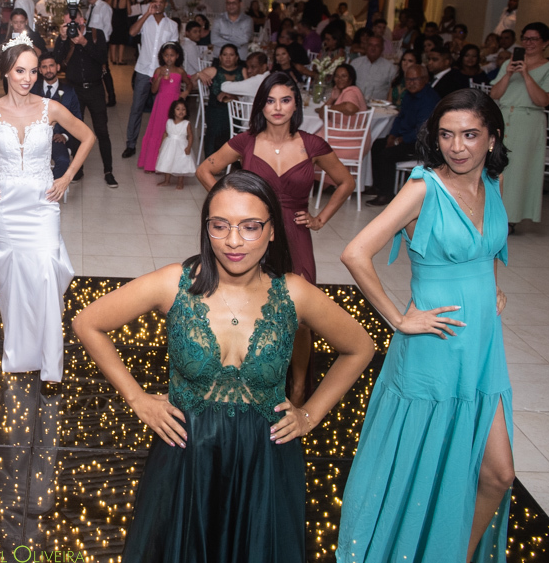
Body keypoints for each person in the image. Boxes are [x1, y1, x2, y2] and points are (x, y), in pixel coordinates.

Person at [74, 170, 373, 560]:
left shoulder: (294, 293)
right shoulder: (173, 284)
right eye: (220, 226)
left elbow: (360, 347)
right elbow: (87, 323)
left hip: (264, 459)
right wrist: (137, 398)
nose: (234, 241)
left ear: (271, 232)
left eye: (250, 227)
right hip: (186, 453)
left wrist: (311, 416)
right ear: (206, 228)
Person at [339, 89, 513, 563]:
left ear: (492, 139)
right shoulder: (423, 188)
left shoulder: (491, 185)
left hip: (482, 345)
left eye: (470, 135)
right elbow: (355, 252)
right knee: (421, 470)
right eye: (447, 135)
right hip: (434, 347)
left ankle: (453, 553)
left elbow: (488, 246)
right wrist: (398, 317)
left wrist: (492, 285)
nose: (458, 146)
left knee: (497, 476)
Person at [196, 72, 356, 403]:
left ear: (296, 104)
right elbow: (205, 170)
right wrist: (233, 208)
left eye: (285, 100)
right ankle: (242, 376)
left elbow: (345, 182)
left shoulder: (312, 144)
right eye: (270, 101)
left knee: (300, 317)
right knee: (246, 305)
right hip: (254, 235)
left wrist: (320, 218)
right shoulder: (246, 142)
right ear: (261, 105)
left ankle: (298, 388)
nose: (277, 108)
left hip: (296, 235)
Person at [0, 35, 94, 382]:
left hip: (41, 204)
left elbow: (87, 136)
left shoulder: (51, 108)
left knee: (47, 273)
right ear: (6, 72)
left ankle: (51, 364)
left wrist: (66, 178)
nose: (28, 78)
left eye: (32, 71)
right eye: (21, 70)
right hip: (4, 206)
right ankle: (18, 355)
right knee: (13, 282)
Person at [489, 22, 549, 228]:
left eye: (534, 39)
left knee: (518, 169)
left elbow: (543, 100)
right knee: (495, 166)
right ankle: (489, 212)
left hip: (528, 121)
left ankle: (509, 218)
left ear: (545, 43)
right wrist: (509, 73)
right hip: (504, 116)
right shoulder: (508, 64)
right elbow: (494, 94)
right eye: (525, 38)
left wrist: (526, 74)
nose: (528, 43)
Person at [58, 9, 118, 187]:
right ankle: (78, 169)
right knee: (75, 130)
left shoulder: (96, 34)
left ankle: (108, 171)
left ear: (82, 20)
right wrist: (62, 39)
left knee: (102, 131)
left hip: (95, 89)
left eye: (73, 22)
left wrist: (83, 42)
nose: (71, 27)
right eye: (67, 23)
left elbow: (102, 58)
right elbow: (57, 61)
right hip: (74, 91)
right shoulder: (65, 38)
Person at [367, 64, 440, 206]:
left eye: (415, 79)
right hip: (405, 138)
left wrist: (399, 140)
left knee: (387, 155)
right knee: (376, 145)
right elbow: (400, 118)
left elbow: (422, 130)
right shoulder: (408, 95)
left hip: (421, 143)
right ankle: (378, 186)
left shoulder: (429, 99)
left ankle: (386, 194)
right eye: (408, 80)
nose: (411, 83)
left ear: (425, 79)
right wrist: (392, 135)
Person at [124, 0, 179, 159]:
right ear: (150, 3)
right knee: (136, 109)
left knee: (162, 110)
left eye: (161, 2)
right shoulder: (144, 19)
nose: (158, 5)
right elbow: (132, 32)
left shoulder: (172, 25)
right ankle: (130, 144)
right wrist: (147, 13)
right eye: (155, 2)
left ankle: (160, 145)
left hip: (162, 72)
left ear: (166, 5)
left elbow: (175, 50)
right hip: (143, 70)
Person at [139, 43, 192, 173]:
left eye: (172, 55)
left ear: (177, 56)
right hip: (161, 103)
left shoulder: (180, 71)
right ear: (162, 56)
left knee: (172, 131)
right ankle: (152, 164)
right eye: (166, 55)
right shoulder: (158, 70)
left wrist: (185, 92)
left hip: (174, 104)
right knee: (158, 130)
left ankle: (171, 165)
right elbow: (153, 90)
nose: (169, 58)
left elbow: (189, 83)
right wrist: (160, 77)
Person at [32, 51, 83, 181]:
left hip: (57, 138)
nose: (48, 70)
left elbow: (77, 118)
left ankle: (49, 192)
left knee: (63, 160)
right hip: (34, 138)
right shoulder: (32, 90)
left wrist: (65, 135)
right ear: (39, 70)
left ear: (58, 67)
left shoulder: (69, 91)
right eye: (44, 67)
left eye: (51, 66)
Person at [201, 43, 242, 157]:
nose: (228, 58)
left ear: (237, 57)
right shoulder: (213, 70)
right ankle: (212, 159)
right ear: (220, 57)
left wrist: (232, 95)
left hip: (236, 109)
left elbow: (248, 91)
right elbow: (192, 81)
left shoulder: (242, 71)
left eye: (231, 55)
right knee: (217, 120)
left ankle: (231, 159)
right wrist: (199, 74)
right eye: (225, 55)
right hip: (216, 108)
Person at [82, 0, 117, 106]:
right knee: (95, 68)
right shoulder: (90, 8)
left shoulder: (104, 7)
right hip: (91, 42)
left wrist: (102, 44)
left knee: (104, 69)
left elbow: (108, 27)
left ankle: (112, 96)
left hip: (101, 43)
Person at [155, 99, 196, 189]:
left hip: (181, 146)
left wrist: (189, 147)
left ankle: (180, 182)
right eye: (178, 109)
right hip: (169, 145)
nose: (181, 111)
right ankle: (166, 180)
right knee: (168, 161)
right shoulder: (169, 122)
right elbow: (165, 133)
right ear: (173, 111)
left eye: (183, 109)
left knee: (181, 163)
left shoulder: (186, 124)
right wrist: (161, 146)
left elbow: (190, 136)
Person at [352, 35, 398, 103]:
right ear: (366, 47)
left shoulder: (390, 68)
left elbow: (392, 91)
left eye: (377, 46)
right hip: (355, 104)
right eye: (370, 45)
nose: (373, 48)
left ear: (382, 49)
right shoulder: (355, 63)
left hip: (378, 108)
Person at [108, 0, 133, 66]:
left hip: (114, 21)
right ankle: (120, 59)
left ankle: (113, 59)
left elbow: (107, 7)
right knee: (122, 41)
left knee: (114, 40)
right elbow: (129, 12)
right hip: (123, 22)